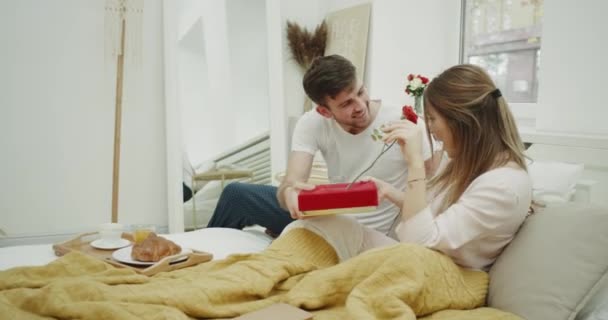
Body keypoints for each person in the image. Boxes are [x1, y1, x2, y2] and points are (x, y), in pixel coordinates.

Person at [282, 64, 532, 271]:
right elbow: (429, 216)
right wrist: (389, 191)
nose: (430, 129)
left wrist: (414, 164)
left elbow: (420, 241)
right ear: (325, 112)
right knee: (311, 226)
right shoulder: (472, 166)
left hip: (437, 269)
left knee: (315, 231)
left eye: (432, 119)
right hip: (423, 257)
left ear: (463, 122)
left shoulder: (502, 185)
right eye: (346, 103)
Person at [207, 54, 431, 237]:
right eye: (346, 104)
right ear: (324, 111)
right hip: (329, 217)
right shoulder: (312, 123)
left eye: (361, 92)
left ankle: (280, 232)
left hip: (374, 231)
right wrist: (290, 195)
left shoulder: (405, 122)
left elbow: (433, 192)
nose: (361, 105)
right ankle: (204, 265)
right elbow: (291, 183)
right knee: (235, 194)